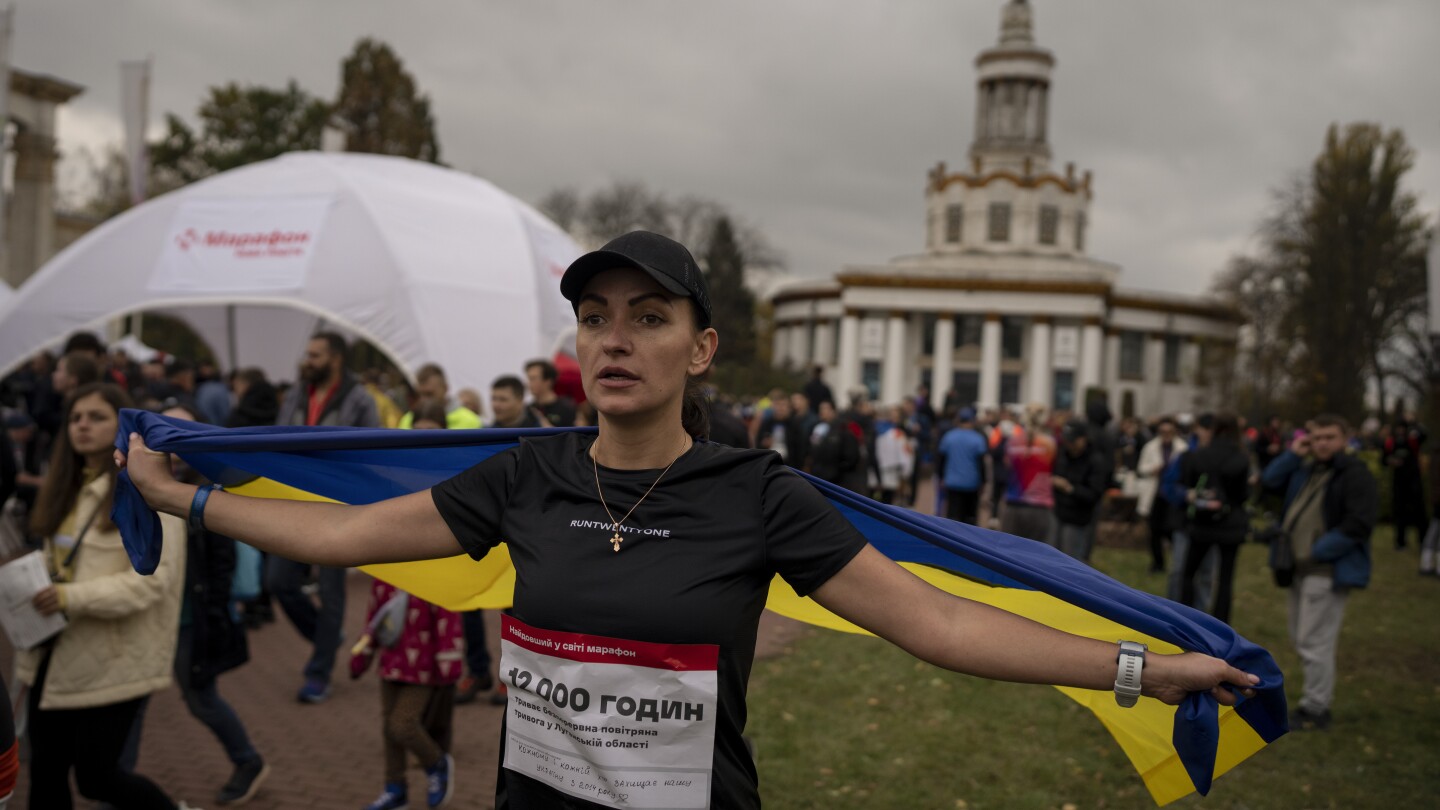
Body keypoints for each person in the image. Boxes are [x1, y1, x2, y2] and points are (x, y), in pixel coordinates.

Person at [120, 230, 1259, 808]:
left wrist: (1137, 671)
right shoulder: (526, 475)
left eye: (648, 316)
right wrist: (194, 500)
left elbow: (941, 628)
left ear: (698, 347)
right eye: (595, 318)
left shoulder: (762, 496)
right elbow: (340, 539)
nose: (615, 339)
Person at [19, 383, 190, 809]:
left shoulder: (151, 489)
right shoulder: (67, 486)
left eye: (96, 417)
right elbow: (60, 560)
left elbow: (151, 583)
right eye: (76, 417)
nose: (82, 425)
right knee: (45, 769)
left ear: (123, 425)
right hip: (54, 647)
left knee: (97, 778)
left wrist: (69, 598)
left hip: (115, 658)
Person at [158, 404, 270, 806]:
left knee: (199, 695)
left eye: (181, 430)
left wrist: (220, 608)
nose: (171, 439)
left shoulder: (209, 487)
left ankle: (247, 760)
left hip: (191, 617)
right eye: (164, 427)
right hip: (155, 616)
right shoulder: (140, 481)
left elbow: (223, 562)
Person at [270, 332, 381, 703]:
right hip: (294, 500)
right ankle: (327, 638)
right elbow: (279, 437)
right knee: (279, 581)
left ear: (335, 358)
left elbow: (375, 449)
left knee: (332, 592)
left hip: (339, 505)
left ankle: (318, 672)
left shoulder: (360, 399)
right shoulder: (297, 394)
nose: (307, 360)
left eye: (315, 355)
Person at [1261, 414, 1376, 731]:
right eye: (1316, 437)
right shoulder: (1306, 469)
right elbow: (1269, 481)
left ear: (1344, 439)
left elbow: (1359, 523)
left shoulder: (1354, 474)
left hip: (1325, 570)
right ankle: (1315, 701)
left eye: (1330, 437)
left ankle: (1316, 708)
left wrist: (1317, 550)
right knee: (1301, 638)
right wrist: (1293, 453)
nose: (1322, 443)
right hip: (1298, 568)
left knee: (1315, 641)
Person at [407, 398, 495, 706]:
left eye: (430, 430)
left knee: (484, 608)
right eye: (418, 430)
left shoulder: (460, 458)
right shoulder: (406, 459)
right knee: (446, 613)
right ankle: (467, 671)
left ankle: (490, 673)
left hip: (464, 544)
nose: (423, 437)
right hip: (428, 549)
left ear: (442, 429)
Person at [350, 575, 463, 810]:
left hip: (422, 669)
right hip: (390, 664)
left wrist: (449, 662)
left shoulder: (433, 577)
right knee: (389, 729)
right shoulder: (383, 576)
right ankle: (395, 789)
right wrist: (364, 652)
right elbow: (375, 619)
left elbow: (447, 618)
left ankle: (436, 763)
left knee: (402, 724)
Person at [1178, 413, 1250, 624]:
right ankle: (1221, 622)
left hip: (1203, 521)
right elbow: (1243, 495)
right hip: (1231, 523)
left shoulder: (1200, 454)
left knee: (1189, 573)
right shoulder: (1241, 457)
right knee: (1225, 579)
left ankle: (1185, 616)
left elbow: (1189, 482)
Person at [1137, 417, 1188, 574]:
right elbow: (1141, 468)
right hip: (1156, 494)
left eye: (1169, 431)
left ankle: (1177, 562)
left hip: (1173, 496)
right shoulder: (1150, 447)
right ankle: (1158, 563)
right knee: (1155, 531)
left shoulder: (1182, 448)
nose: (1166, 434)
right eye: (1163, 432)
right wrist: (1153, 469)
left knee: (1171, 530)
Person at [1051, 419, 1107, 561]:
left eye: (1072, 441)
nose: (1069, 445)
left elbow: (1094, 494)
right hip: (1058, 514)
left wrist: (1069, 488)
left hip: (1078, 519)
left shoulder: (1095, 461)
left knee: (1070, 560)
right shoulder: (1063, 455)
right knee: (1052, 558)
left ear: (1083, 439)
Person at [999, 405, 1056, 543]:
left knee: (1010, 553)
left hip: (1014, 504)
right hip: (1040, 507)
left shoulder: (1012, 442)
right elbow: (1053, 467)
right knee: (1036, 555)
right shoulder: (1049, 444)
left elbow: (1007, 465)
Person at [937, 407, 988, 525]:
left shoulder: (949, 436)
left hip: (952, 482)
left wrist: (941, 477)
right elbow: (981, 464)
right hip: (972, 483)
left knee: (952, 517)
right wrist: (983, 482)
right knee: (970, 519)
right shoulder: (978, 438)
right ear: (972, 421)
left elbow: (941, 460)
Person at [1382, 420, 1426, 550]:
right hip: (1398, 482)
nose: (1400, 431)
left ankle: (1423, 540)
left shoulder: (1412, 440)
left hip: (1414, 481)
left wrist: (1414, 423)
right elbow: (1384, 459)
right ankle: (1400, 542)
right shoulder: (1391, 442)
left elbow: (1424, 434)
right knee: (1399, 511)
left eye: (1403, 428)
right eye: (1398, 428)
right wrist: (1391, 461)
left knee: (1419, 512)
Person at [399, 364, 483, 430]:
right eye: (420, 394)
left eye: (429, 394)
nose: (424, 399)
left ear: (445, 388)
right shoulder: (407, 420)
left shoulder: (470, 421)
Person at [525, 359, 577, 428]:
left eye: (533, 378)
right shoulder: (527, 409)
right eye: (528, 379)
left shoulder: (566, 408)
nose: (528, 383)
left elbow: (572, 435)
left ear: (548, 381)